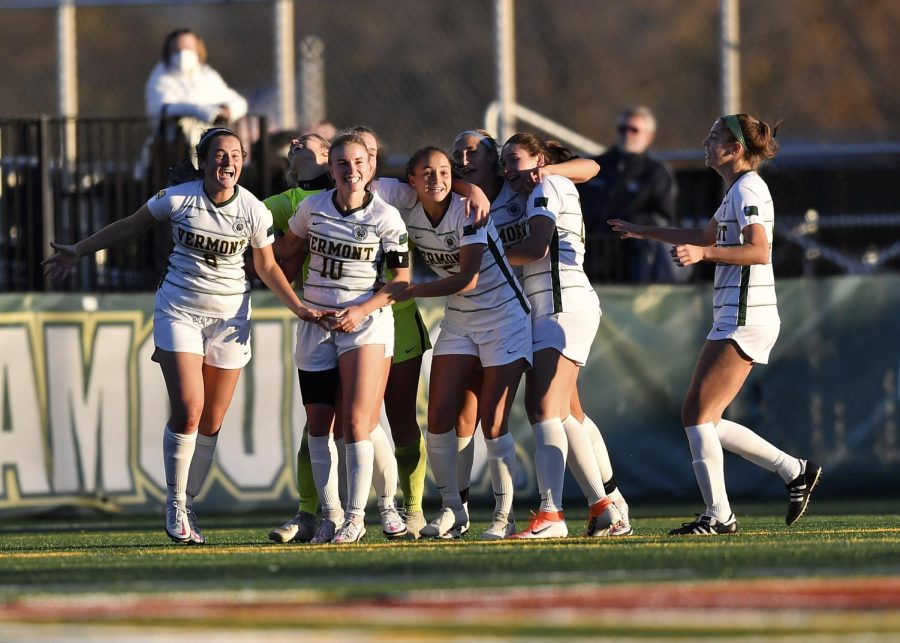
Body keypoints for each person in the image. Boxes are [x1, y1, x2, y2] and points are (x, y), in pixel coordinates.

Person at [42, 127, 324, 545]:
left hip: (230, 319)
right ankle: (175, 503)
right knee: (190, 410)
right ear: (203, 160)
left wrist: (299, 307)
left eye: (235, 155)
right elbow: (129, 226)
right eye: (219, 155)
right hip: (179, 310)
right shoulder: (178, 197)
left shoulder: (254, 211)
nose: (227, 162)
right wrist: (79, 250)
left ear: (243, 161)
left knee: (211, 421)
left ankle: (187, 500)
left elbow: (266, 268)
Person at [609, 113, 822, 535]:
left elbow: (759, 251)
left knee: (696, 415)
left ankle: (720, 515)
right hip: (735, 316)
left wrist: (703, 256)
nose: (705, 143)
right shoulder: (735, 192)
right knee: (705, 417)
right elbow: (705, 237)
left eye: (713, 137)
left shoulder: (749, 189)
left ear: (735, 150)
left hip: (746, 316)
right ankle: (793, 471)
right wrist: (644, 231)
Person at [451, 129, 632, 533]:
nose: (507, 168)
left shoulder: (546, 182)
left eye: (513, 159)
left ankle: (552, 513)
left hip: (562, 301)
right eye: (506, 162)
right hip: (540, 308)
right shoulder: (496, 201)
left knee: (542, 409)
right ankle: (606, 504)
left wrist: (471, 270)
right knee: (568, 414)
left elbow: (537, 246)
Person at [280, 133, 411, 544]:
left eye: (358, 162)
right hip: (316, 323)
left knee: (357, 422)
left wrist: (360, 310)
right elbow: (284, 254)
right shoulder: (311, 208)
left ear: (370, 167)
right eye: (341, 163)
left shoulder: (386, 217)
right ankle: (331, 514)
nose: (350, 169)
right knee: (318, 425)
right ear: (330, 168)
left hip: (364, 324)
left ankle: (359, 516)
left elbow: (401, 282)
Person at [397, 147, 531, 539]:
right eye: (426, 173)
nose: (435, 179)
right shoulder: (406, 205)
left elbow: (467, 278)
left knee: (492, 423)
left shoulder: (467, 209)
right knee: (439, 416)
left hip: (504, 317)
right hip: (460, 320)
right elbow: (368, 183)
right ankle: (453, 511)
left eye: (443, 172)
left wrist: (410, 290)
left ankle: (505, 518)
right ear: (411, 180)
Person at [578, 106, 678, 283]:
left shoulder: (656, 172)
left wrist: (634, 224)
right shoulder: (595, 165)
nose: (627, 134)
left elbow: (664, 219)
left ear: (649, 136)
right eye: (622, 129)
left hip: (632, 265)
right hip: (589, 257)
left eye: (634, 130)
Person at [145, 29, 248, 161]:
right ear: (168, 52)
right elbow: (163, 108)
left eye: (188, 48)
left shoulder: (207, 75)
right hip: (174, 152)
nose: (182, 54)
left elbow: (239, 102)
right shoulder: (160, 76)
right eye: (177, 50)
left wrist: (226, 111)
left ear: (198, 49)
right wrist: (201, 112)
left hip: (210, 149)